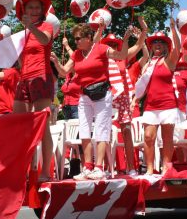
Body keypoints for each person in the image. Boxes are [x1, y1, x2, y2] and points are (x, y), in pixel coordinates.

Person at [51, 23, 132, 180]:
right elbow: (64, 72)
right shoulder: (76, 54)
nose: (76, 42)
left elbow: (121, 56)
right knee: (85, 131)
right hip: (84, 96)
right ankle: (87, 167)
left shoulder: (101, 49)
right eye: (75, 39)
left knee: (101, 130)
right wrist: (55, 62)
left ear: (88, 38)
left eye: (78, 38)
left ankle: (99, 168)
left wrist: (126, 38)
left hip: (102, 94)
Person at [13, 0, 56, 182]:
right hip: (24, 79)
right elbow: (20, 59)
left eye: (37, 7)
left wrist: (31, 27)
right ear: (24, 10)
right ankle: (24, 169)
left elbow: (45, 40)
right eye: (30, 7)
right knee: (18, 125)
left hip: (41, 77)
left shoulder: (45, 26)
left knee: (42, 125)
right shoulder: (21, 33)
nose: (34, 10)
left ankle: (45, 171)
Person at [101, 16, 148, 176]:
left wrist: (143, 30)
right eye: (109, 44)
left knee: (126, 132)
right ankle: (107, 168)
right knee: (105, 133)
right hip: (106, 98)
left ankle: (131, 167)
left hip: (123, 99)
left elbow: (139, 44)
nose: (112, 46)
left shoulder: (123, 56)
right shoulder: (100, 59)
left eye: (115, 44)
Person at [135, 17, 181, 175]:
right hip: (151, 106)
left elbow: (178, 50)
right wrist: (134, 100)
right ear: (151, 46)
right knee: (148, 137)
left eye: (161, 42)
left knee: (167, 139)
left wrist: (174, 30)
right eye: (155, 42)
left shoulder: (169, 61)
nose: (158, 45)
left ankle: (166, 167)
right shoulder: (147, 64)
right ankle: (149, 168)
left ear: (166, 46)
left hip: (168, 105)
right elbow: (142, 88)